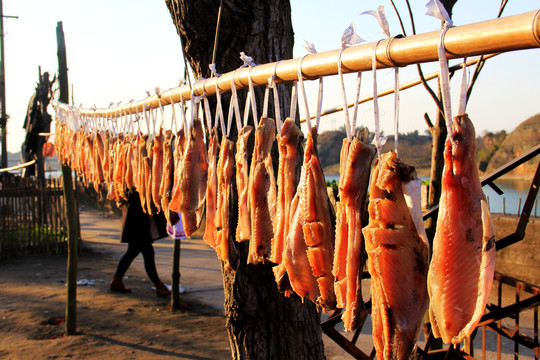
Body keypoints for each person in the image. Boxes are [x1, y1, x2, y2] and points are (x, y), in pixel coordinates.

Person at [110, 191, 171, 298]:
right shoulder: (134, 187)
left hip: (137, 220)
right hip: (137, 221)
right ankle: (158, 285)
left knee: (133, 252)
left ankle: (117, 280)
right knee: (146, 253)